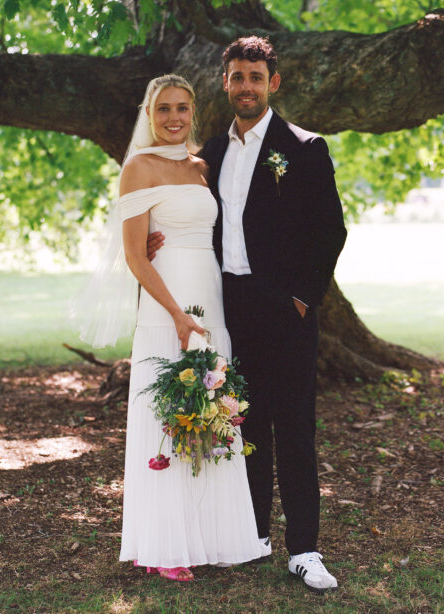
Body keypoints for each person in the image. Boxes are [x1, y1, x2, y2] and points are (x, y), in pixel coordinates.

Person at [147, 37, 347, 593]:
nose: (246, 87)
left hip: (285, 309)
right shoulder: (211, 152)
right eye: (237, 77)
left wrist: (301, 298)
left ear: (272, 83)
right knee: (242, 422)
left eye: (256, 77)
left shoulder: (303, 148)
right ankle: (252, 535)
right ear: (226, 83)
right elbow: (184, 209)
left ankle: (304, 549)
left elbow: (331, 231)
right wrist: (158, 237)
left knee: (295, 429)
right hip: (226, 306)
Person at [110, 74, 262, 582]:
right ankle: (164, 546)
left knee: (212, 408)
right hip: (166, 303)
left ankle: (212, 537)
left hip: (209, 297)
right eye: (163, 109)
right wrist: (176, 313)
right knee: (167, 410)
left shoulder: (202, 167)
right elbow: (136, 255)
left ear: (193, 112)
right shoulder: (138, 167)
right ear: (149, 114)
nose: (173, 117)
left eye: (181, 108)